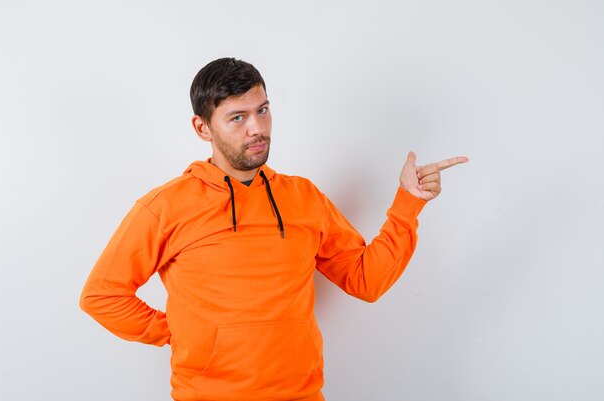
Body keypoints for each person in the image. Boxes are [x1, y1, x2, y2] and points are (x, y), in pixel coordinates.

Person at [80, 57, 468, 401]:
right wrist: (176, 330)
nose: (257, 128)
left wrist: (408, 202)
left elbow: (366, 280)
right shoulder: (165, 206)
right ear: (202, 128)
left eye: (262, 110)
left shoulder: (303, 197)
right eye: (238, 117)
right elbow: (102, 295)